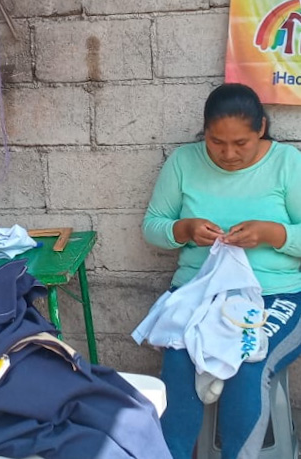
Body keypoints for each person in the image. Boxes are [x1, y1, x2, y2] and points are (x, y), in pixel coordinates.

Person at [141, 83, 301, 458]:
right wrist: (184, 231)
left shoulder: (287, 163)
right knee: (179, 365)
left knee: (247, 363)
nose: (228, 154)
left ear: (261, 128)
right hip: (199, 294)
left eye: (241, 143)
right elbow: (153, 225)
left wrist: (272, 234)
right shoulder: (183, 162)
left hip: (273, 295)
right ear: (204, 132)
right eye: (217, 142)